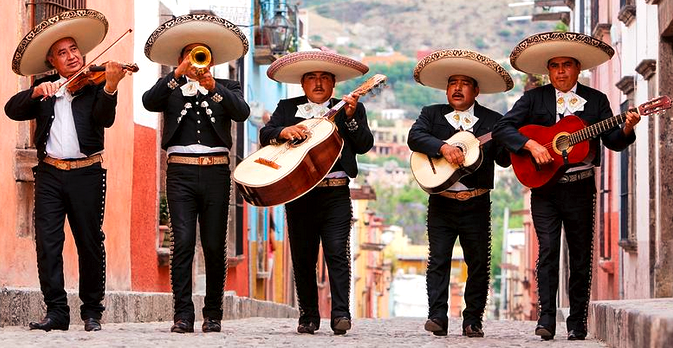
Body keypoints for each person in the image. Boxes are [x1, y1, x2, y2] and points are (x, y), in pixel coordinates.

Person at [493, 32, 641, 341]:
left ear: (578, 69)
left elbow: (613, 142)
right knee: (547, 250)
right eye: (555, 66)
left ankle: (577, 322)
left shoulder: (596, 101)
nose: (561, 71)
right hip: (544, 187)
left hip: (580, 187)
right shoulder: (535, 99)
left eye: (567, 65)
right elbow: (502, 128)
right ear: (548, 71)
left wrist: (626, 127)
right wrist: (530, 145)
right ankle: (546, 320)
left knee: (580, 255)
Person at [4, 9, 128, 332]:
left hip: (86, 173)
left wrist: (111, 87)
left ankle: (91, 311)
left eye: (74, 49)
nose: (72, 56)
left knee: (89, 242)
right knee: (47, 243)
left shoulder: (93, 86)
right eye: (63, 53)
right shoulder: (45, 89)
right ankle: (57, 311)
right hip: (48, 175)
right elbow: (11, 109)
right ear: (52, 62)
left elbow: (105, 118)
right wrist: (34, 91)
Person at [142, 13, 250, 333]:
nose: (196, 61)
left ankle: (213, 312)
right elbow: (149, 102)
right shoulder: (171, 88)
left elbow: (242, 113)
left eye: (200, 54)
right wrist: (177, 75)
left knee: (215, 245)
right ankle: (182, 314)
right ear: (181, 59)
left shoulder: (228, 86)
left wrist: (213, 85)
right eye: (190, 55)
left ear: (211, 60)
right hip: (180, 174)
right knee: (183, 243)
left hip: (216, 173)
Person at [259, 50, 373, 335]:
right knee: (303, 255)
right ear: (302, 83)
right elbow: (266, 133)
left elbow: (364, 145)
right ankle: (308, 316)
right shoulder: (287, 107)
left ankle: (341, 314)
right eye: (312, 77)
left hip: (336, 192)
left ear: (334, 83)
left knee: (337, 253)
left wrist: (350, 118)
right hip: (298, 194)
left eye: (324, 78)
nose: (318, 83)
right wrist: (283, 132)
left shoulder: (350, 107)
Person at [408, 49, 513, 337]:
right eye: (452, 83)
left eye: (464, 83)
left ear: (476, 90)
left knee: (478, 262)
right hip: (441, 201)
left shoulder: (494, 121)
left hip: (476, 201)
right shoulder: (431, 114)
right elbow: (414, 137)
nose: (457, 88)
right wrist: (443, 148)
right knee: (438, 259)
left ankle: (472, 320)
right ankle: (437, 317)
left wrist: (513, 139)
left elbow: (503, 159)